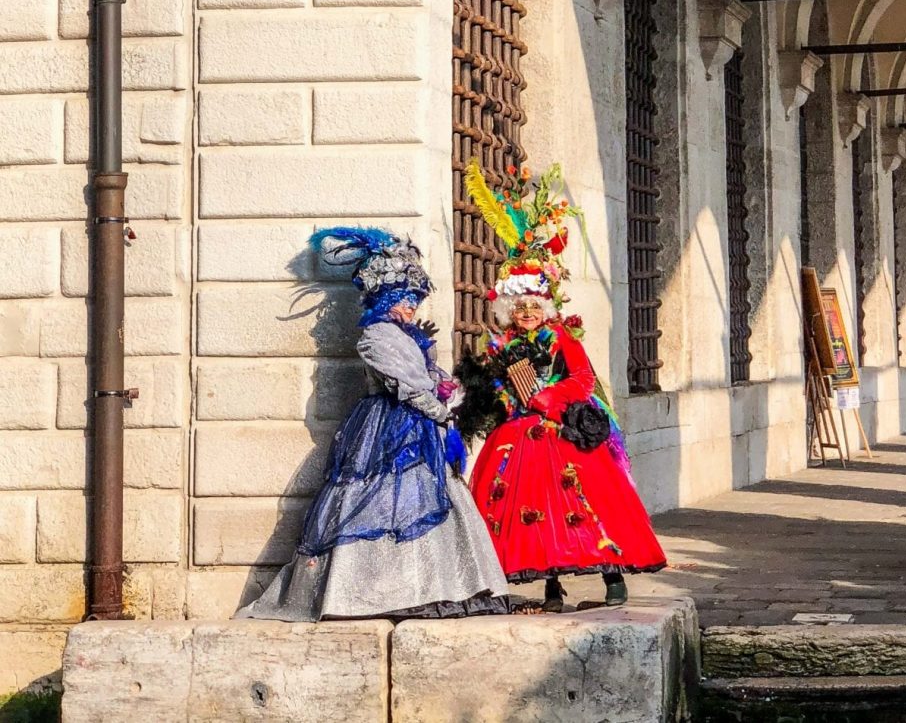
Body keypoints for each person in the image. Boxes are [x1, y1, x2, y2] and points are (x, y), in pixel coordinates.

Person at [237, 227, 509, 621]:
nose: (412, 308)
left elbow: (426, 379)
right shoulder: (376, 337)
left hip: (418, 426)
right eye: (405, 299)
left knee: (428, 498)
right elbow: (408, 387)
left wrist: (447, 390)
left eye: (415, 300)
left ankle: (438, 586)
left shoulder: (407, 336)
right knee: (382, 502)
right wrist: (441, 410)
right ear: (386, 297)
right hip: (388, 428)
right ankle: (372, 592)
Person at [456, 162, 666, 612]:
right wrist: (499, 392)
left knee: (588, 501)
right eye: (520, 307)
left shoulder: (563, 338)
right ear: (509, 311)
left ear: (545, 306)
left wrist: (549, 397)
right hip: (520, 434)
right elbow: (496, 390)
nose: (528, 313)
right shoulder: (504, 346)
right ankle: (552, 588)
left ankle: (613, 579)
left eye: (534, 306)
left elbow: (583, 379)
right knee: (533, 512)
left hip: (562, 430)